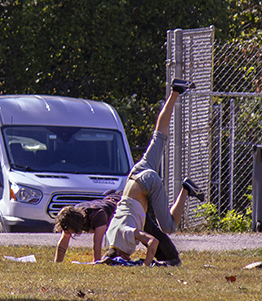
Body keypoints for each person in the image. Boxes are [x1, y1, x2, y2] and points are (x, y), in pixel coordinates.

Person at [104, 78, 206, 266]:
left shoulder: (124, 237)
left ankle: (186, 189)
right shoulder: (109, 237)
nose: (129, 257)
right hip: (135, 174)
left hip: (147, 182)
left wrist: (146, 266)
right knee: (160, 135)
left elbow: (153, 242)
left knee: (167, 227)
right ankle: (176, 90)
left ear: (119, 253)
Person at [52, 189, 181, 264]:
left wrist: (97, 264)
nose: (70, 234)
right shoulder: (73, 215)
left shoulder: (98, 215)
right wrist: (57, 265)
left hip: (128, 206)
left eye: (71, 231)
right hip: (115, 203)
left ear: (77, 225)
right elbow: (62, 243)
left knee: (150, 232)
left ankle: (172, 258)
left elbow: (97, 244)